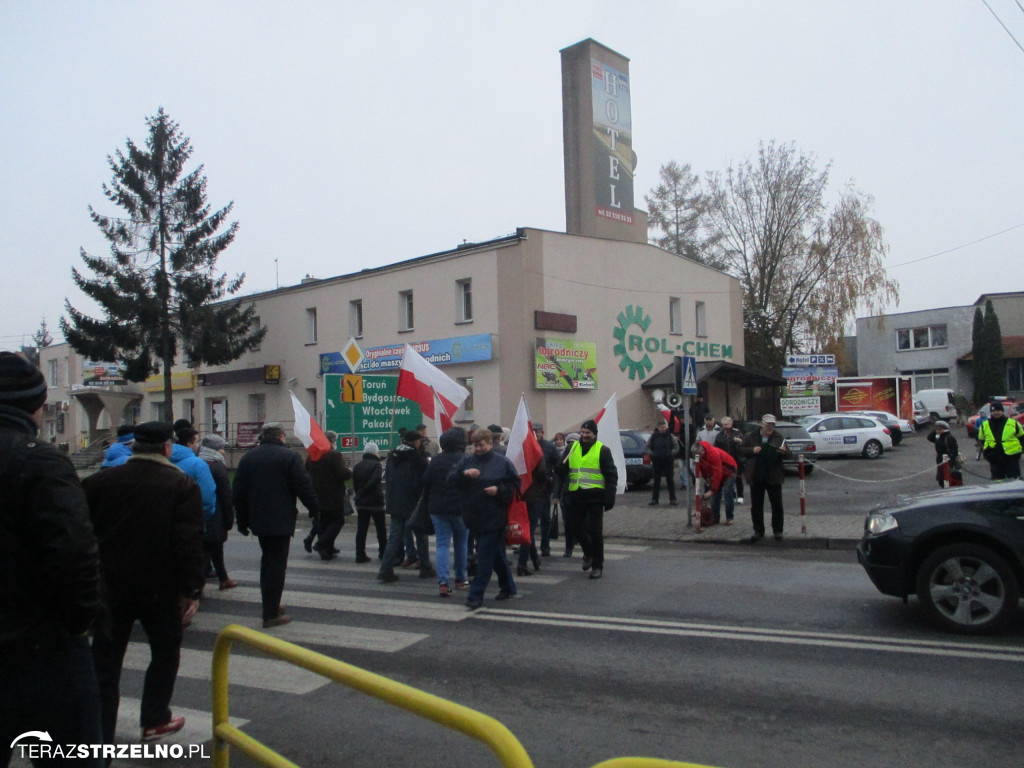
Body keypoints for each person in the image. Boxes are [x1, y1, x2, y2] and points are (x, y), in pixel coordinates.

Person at [0, 352, 104, 766]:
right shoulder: (39, 462)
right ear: (37, 404)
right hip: (38, 648)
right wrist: (78, 624)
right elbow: (74, 555)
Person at [82, 421, 205, 744]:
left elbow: (82, 534)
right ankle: (154, 717)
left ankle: (100, 736)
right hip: (159, 589)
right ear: (167, 447)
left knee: (105, 663)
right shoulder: (181, 484)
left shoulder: (99, 482)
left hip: (109, 589)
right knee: (165, 652)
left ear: (133, 447)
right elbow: (188, 543)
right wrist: (190, 590)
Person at [233, 422, 320, 628]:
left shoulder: (248, 458)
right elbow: (303, 486)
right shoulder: (289, 457)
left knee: (268, 562)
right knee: (276, 566)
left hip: (258, 520)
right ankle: (270, 614)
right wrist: (316, 511)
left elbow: (238, 492)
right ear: (281, 436)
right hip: (281, 519)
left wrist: (242, 521)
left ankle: (270, 604)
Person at [451, 428, 520, 608]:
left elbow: (514, 487)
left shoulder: (503, 463)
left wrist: (499, 490)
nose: (478, 449)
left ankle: (475, 595)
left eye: (481, 445)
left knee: (484, 557)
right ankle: (508, 587)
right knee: (496, 555)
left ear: (490, 444)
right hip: (473, 515)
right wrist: (463, 474)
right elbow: (450, 480)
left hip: (494, 516)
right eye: (475, 445)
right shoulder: (466, 461)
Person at [557, 419, 617, 580]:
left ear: (594, 434)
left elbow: (611, 475)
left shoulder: (602, 450)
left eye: (587, 433)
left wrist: (609, 498)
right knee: (576, 529)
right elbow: (562, 469)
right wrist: (559, 468)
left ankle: (597, 565)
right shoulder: (572, 448)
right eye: (582, 432)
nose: (583, 436)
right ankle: (588, 552)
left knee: (596, 532)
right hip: (576, 495)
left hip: (595, 498)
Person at [421, 427, 470, 596]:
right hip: (461, 508)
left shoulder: (436, 460)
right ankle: (461, 578)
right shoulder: (466, 459)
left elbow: (425, 481)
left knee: (442, 544)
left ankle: (443, 581)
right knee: (461, 543)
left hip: (438, 507)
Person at [377, 429, 431, 583]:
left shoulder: (392, 457)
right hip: (413, 503)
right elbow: (424, 480)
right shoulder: (417, 458)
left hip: (394, 502)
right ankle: (425, 566)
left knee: (394, 537)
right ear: (415, 442)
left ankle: (385, 569)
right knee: (421, 535)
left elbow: (387, 479)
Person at [739, 414, 792, 542]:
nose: (770, 427)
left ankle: (778, 530)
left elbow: (789, 454)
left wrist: (783, 452)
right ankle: (758, 531)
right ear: (762, 424)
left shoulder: (778, 437)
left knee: (777, 504)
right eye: (768, 425)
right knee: (757, 505)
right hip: (756, 474)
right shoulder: (751, 436)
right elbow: (740, 450)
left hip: (773, 475)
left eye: (773, 425)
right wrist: (753, 450)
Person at [305, 430, 352, 561]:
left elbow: (306, 470)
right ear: (331, 441)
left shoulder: (312, 455)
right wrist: (349, 472)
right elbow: (341, 474)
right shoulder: (334, 455)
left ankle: (327, 549)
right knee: (337, 521)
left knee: (324, 522)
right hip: (333, 494)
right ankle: (321, 545)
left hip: (317, 494)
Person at [198, 433, 238, 590]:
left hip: (199, 512)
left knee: (214, 548)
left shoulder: (198, 462)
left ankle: (223, 577)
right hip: (215, 514)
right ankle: (196, 588)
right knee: (208, 550)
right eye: (222, 448)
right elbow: (226, 494)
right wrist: (229, 518)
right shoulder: (217, 466)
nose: (223, 451)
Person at [171, 426, 217, 520]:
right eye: (196, 442)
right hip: (191, 519)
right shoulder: (198, 464)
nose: (198, 445)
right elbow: (207, 497)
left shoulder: (164, 459)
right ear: (189, 444)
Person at [352, 442, 388, 563]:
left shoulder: (357, 466)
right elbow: (375, 480)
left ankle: (360, 553)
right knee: (381, 529)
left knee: (362, 529)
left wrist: (359, 494)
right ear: (375, 452)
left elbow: (355, 484)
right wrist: (364, 491)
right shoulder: (377, 465)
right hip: (375, 501)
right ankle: (383, 552)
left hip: (361, 502)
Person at [517, 448, 549, 576]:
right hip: (535, 495)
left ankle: (535, 559)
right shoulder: (537, 454)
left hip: (522, 494)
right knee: (529, 530)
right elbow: (542, 474)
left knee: (527, 528)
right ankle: (522, 563)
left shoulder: (519, 455)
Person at [694, 440, 738, 525]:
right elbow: (702, 470)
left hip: (729, 471)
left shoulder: (713, 454)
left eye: (699, 455)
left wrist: (713, 489)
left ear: (703, 450)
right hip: (717, 472)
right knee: (715, 496)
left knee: (727, 492)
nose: (698, 457)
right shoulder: (699, 457)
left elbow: (717, 472)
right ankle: (715, 518)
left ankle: (729, 517)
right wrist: (708, 481)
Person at [533, 422, 560, 556]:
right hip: (530, 489)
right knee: (530, 519)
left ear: (542, 433)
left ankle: (545, 545)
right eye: (533, 431)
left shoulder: (550, 448)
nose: (535, 434)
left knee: (545, 518)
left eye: (537, 431)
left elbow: (558, 466)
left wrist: (552, 479)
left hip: (545, 488)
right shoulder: (526, 446)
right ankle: (527, 545)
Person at [978, 400, 1024, 480]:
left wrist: (1020, 452)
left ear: (1002, 411)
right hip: (995, 458)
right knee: (997, 482)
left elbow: (1022, 437)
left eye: (998, 410)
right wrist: (987, 453)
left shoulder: (1013, 423)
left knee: (1014, 481)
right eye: (994, 411)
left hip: (1012, 458)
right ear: (991, 412)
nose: (996, 413)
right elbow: (982, 440)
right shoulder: (984, 425)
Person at [714, 416, 746, 504]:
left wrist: (739, 441)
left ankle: (740, 496)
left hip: (736, 459)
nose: (725, 426)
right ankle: (731, 494)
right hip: (725, 461)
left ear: (731, 424)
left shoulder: (737, 433)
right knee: (726, 478)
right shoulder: (719, 435)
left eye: (727, 424)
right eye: (723, 424)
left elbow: (744, 443)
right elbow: (716, 448)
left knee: (738, 478)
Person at [646, 418, 678, 505]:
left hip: (668, 461)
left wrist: (672, 453)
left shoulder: (670, 436)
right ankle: (655, 500)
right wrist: (653, 454)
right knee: (656, 481)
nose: (663, 429)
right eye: (661, 427)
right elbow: (647, 447)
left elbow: (676, 447)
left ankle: (673, 499)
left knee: (670, 481)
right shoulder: (653, 436)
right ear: (658, 428)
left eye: (664, 427)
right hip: (657, 462)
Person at [926, 421, 961, 488]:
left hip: (947, 461)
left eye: (939, 429)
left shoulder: (949, 438)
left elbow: (954, 450)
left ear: (944, 429)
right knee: (941, 480)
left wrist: (951, 461)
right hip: (940, 460)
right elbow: (929, 438)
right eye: (937, 429)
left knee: (948, 479)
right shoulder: (938, 437)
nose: (937, 430)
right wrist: (935, 430)